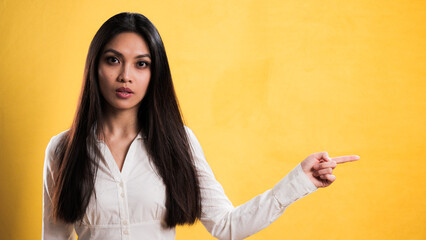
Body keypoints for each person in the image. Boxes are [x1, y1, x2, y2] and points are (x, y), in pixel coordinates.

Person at [42, 12, 360, 240]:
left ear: (155, 74)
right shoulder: (62, 150)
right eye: (113, 60)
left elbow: (226, 226)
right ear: (95, 66)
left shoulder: (177, 141)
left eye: (141, 64)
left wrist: (298, 181)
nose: (126, 75)